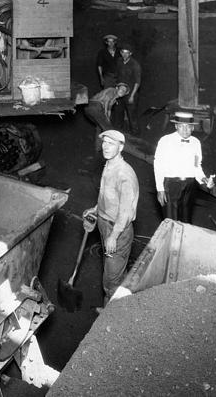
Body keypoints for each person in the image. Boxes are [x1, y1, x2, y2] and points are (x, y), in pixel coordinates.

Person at [82, 129, 139, 304]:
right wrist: (96, 209)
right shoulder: (109, 165)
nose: (105, 147)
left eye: (111, 143)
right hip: (105, 223)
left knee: (112, 281)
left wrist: (113, 236)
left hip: (118, 231)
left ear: (121, 147)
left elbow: (125, 212)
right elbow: (108, 195)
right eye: (104, 142)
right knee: (109, 271)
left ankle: (112, 319)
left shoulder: (124, 174)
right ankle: (109, 308)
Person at [153, 111, 215, 222]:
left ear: (193, 128)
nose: (185, 130)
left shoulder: (196, 143)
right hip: (171, 186)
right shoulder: (165, 141)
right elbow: (158, 165)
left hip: (189, 186)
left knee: (186, 221)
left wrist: (205, 180)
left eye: (188, 127)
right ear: (176, 126)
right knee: (171, 222)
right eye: (181, 126)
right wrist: (160, 188)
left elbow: (197, 166)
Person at [115, 43, 142, 135]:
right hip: (120, 93)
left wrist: (132, 96)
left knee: (132, 117)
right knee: (119, 114)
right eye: (123, 52)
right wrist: (116, 89)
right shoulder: (119, 61)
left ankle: (136, 137)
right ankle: (119, 135)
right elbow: (117, 76)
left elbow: (137, 82)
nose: (124, 55)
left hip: (131, 94)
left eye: (127, 53)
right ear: (120, 52)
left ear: (131, 53)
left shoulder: (135, 64)